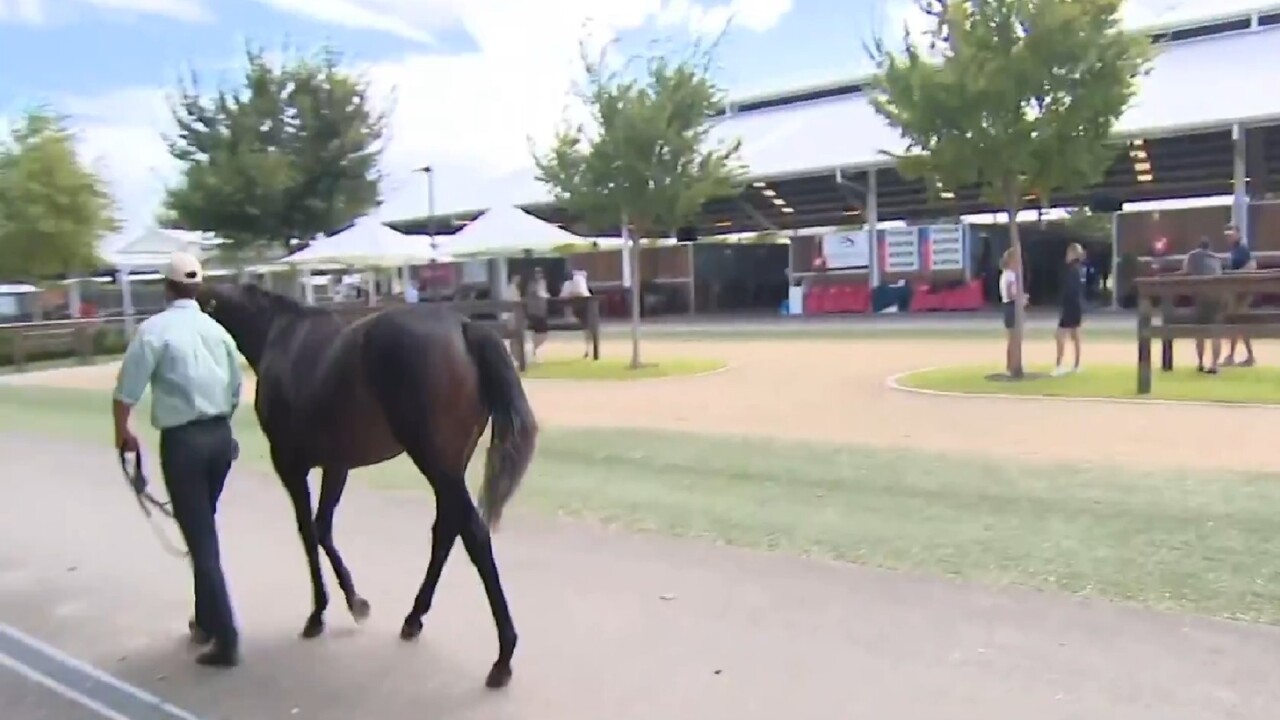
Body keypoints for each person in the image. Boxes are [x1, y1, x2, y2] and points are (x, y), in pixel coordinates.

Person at [112, 252, 244, 667]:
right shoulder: (217, 331)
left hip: (184, 443)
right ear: (197, 288)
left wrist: (123, 431)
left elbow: (126, 391)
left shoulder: (154, 331)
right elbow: (236, 386)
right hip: (220, 437)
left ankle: (226, 637)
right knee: (202, 527)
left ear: (166, 287)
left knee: (201, 539)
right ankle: (206, 620)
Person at [1182, 238, 1224, 374]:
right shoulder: (1216, 259)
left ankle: (1200, 362)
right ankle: (1214, 365)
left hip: (1200, 298)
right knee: (1216, 332)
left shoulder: (1192, 256)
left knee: (1199, 332)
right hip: (1217, 297)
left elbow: (1185, 272)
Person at [1221, 223, 1256, 367]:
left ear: (1238, 234)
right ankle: (1237, 355)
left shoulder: (1242, 249)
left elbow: (1251, 266)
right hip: (1236, 291)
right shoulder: (1235, 250)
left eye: (1231, 233)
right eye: (1227, 234)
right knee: (1238, 323)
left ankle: (1245, 356)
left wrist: (1234, 275)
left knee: (1238, 322)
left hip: (1241, 292)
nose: (1229, 236)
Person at [1053, 243, 1087, 376]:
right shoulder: (1079, 269)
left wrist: (1063, 304)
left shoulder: (1071, 270)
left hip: (1070, 306)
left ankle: (1059, 364)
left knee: (1060, 335)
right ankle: (1077, 365)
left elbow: (1070, 290)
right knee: (1075, 336)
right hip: (1077, 305)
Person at [998, 248, 1025, 375]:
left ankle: (1010, 365)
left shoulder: (1005, 274)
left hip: (1008, 306)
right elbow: (1011, 293)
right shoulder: (1010, 275)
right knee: (1014, 339)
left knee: (1012, 339)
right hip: (1011, 306)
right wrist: (1021, 298)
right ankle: (1013, 366)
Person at [560, 270, 593, 359]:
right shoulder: (568, 284)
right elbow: (563, 296)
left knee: (588, 329)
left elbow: (581, 293)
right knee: (586, 329)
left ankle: (589, 349)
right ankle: (589, 349)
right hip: (578, 308)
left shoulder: (579, 281)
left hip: (585, 307)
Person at [524, 268, 550, 362]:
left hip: (541, 311)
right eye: (536, 273)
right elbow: (537, 293)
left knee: (543, 333)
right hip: (534, 311)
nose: (538, 275)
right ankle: (533, 351)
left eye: (540, 273)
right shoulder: (532, 284)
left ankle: (534, 350)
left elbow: (543, 293)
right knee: (538, 332)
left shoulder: (543, 282)